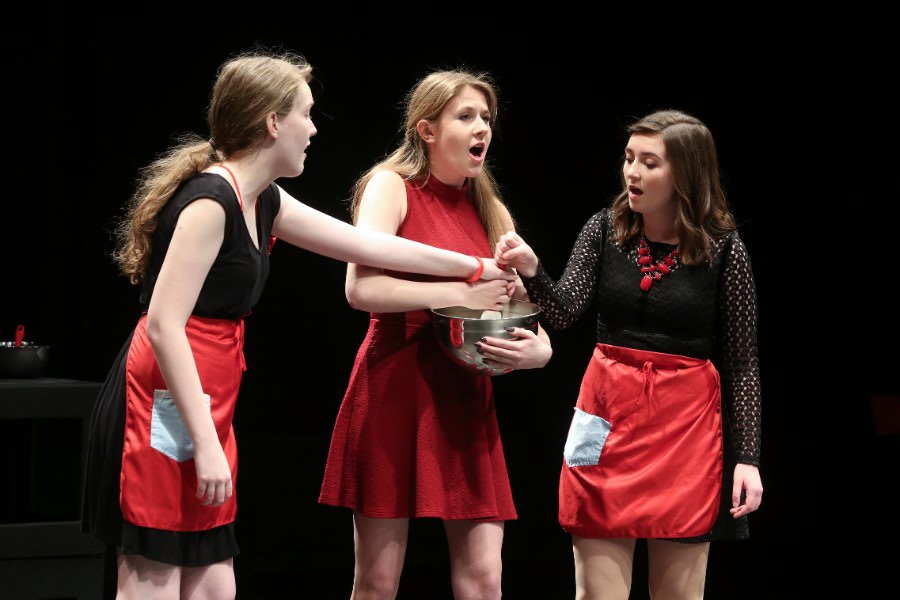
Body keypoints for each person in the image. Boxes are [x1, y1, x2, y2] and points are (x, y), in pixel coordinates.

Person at [79, 51, 517, 600]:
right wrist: (206, 443)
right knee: (156, 582)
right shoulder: (211, 201)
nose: (313, 129)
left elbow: (366, 246)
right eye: (306, 114)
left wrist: (475, 267)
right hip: (163, 397)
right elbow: (166, 326)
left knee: (214, 588)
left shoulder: (264, 199)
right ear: (272, 123)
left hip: (209, 392)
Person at [495, 109, 763, 599]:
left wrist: (747, 458)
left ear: (685, 174)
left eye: (649, 163)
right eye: (628, 158)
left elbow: (742, 364)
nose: (632, 173)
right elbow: (564, 312)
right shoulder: (605, 229)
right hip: (605, 415)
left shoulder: (724, 250)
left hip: (685, 431)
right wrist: (533, 271)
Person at [318, 69, 553, 599]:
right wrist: (455, 290)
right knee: (378, 581)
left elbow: (519, 306)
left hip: (465, 397)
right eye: (465, 116)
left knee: (484, 578)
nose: (482, 128)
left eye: (486, 117)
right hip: (396, 387)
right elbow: (360, 288)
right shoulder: (390, 186)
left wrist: (540, 351)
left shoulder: (492, 209)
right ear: (426, 130)